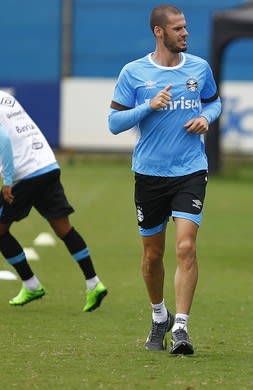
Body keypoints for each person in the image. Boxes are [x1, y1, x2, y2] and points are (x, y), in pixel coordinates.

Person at [108, 4, 222, 355]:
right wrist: (148, 107)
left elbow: (215, 103)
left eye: (186, 27)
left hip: (190, 170)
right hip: (149, 174)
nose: (185, 33)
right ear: (159, 32)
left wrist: (206, 117)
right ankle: (160, 315)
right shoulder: (134, 72)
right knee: (151, 256)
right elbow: (114, 123)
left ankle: (183, 328)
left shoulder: (199, 68)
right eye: (178, 29)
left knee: (186, 247)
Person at [0, 90, 108, 312]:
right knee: (64, 228)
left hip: (25, 173)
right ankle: (93, 283)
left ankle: (31, 284)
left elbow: (3, 139)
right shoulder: (4, 96)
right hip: (47, 165)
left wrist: (8, 181)